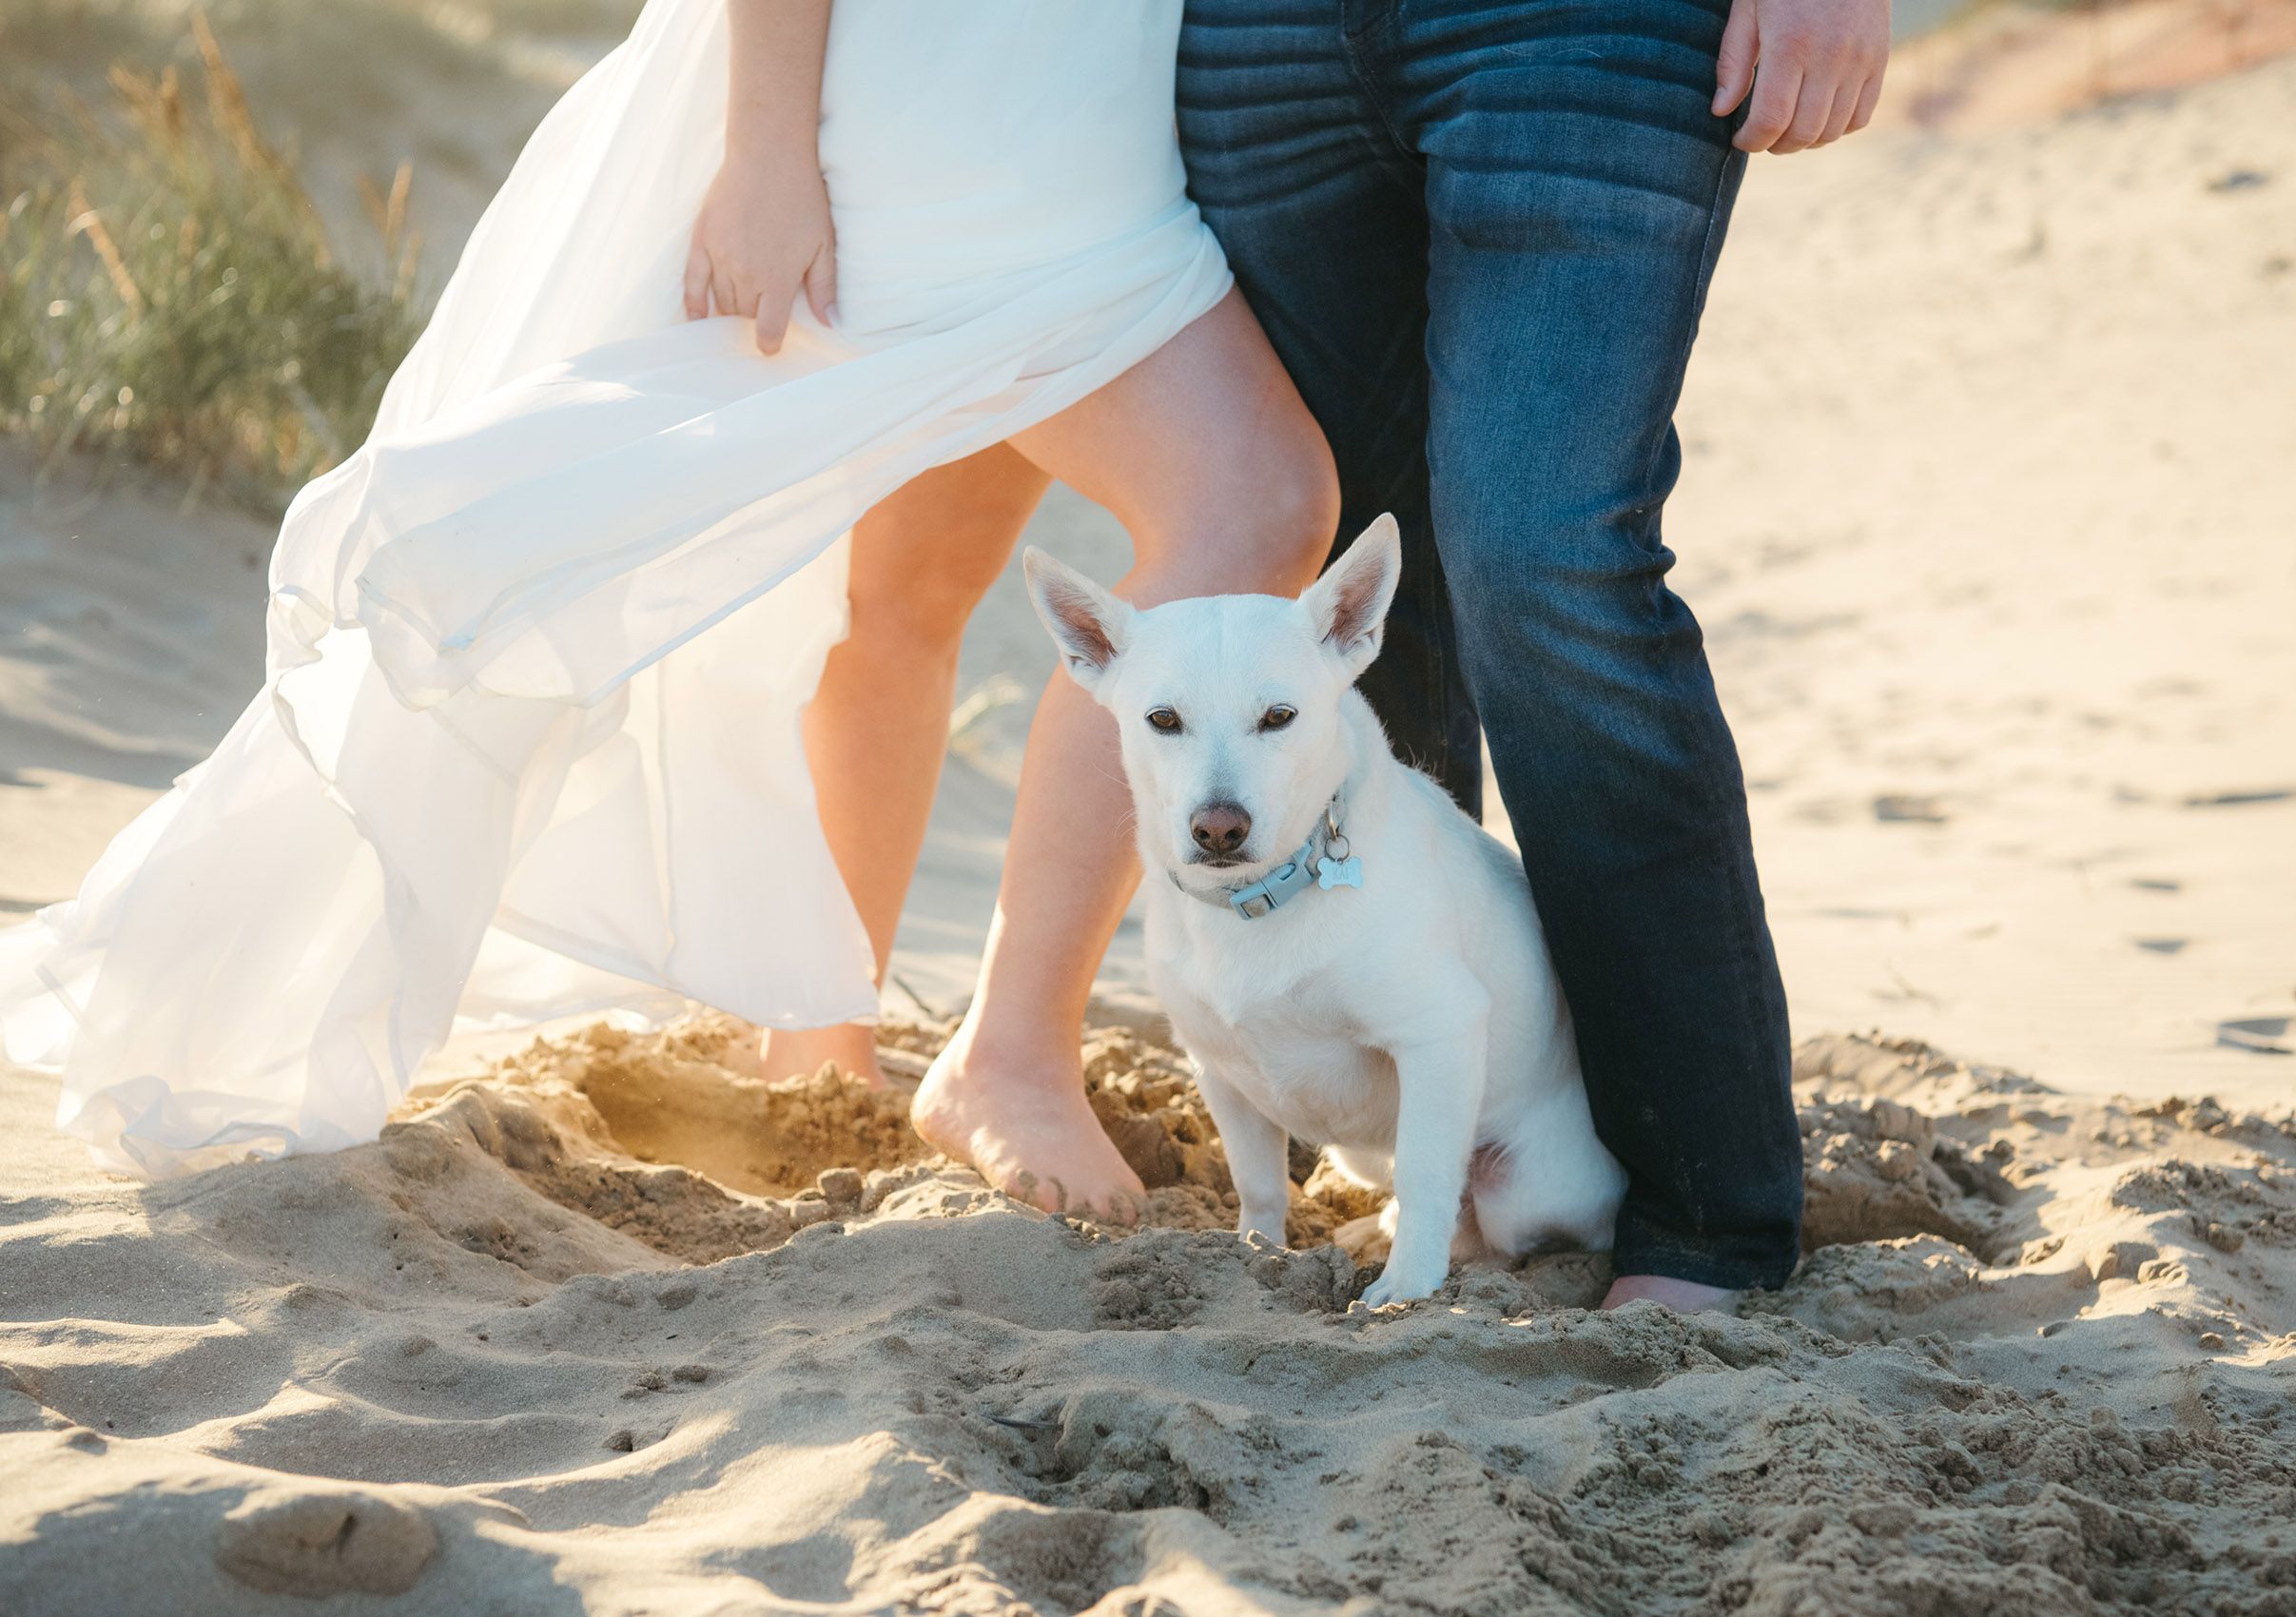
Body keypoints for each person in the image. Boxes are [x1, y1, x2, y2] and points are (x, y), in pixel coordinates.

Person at [0, 0, 1333, 1213]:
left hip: (1039, 102)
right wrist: (763, 147)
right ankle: (1015, 1055)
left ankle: (815, 1038)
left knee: (912, 587)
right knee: (1255, 506)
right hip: (972, 128)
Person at [1173, 0, 1890, 1307]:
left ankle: (1704, 1213)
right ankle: (1433, 1140)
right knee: (1352, 562)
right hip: (1250, 37)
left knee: (1541, 549)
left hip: (1577, 25)